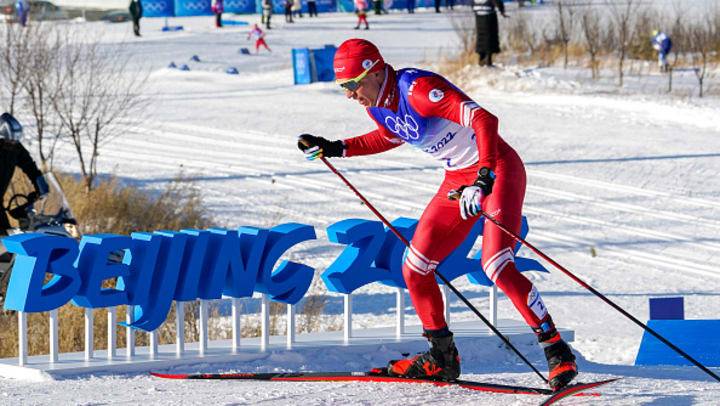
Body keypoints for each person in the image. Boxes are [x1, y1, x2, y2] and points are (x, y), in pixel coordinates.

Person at [296, 39, 578, 390]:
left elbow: (483, 119)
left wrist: (484, 176)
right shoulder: (377, 105)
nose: (350, 95)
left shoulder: (418, 89)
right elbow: (389, 135)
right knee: (415, 267)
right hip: (458, 180)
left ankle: (556, 350)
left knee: (496, 264)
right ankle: (442, 357)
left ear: (374, 70)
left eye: (352, 85)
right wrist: (337, 148)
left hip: (497, 170)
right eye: (343, 88)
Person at [0, 113, 48, 236]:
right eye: (9, 141)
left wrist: (41, 185)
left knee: (6, 240)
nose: (12, 144)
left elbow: (30, 166)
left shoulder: (16, 149)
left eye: (14, 141)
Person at [473, 0, 506, 67]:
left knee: (480, 37)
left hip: (478, 15)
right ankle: (488, 60)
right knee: (490, 36)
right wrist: (502, 10)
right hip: (489, 14)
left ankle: (481, 59)